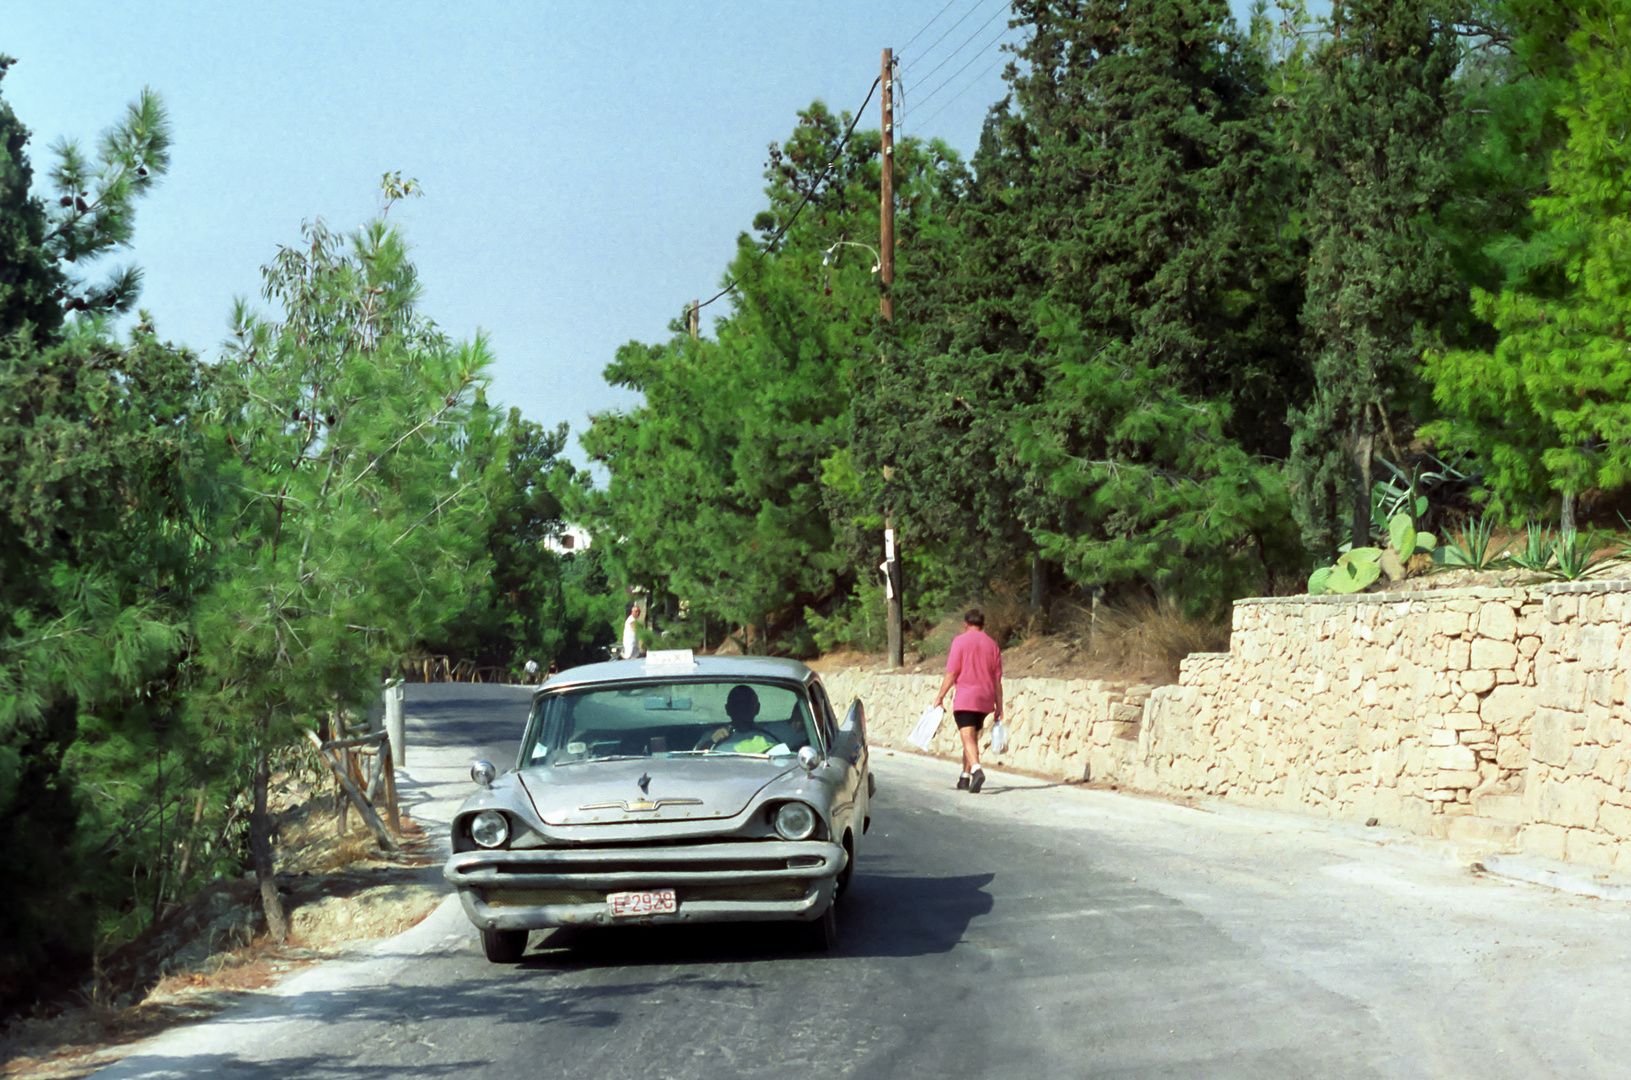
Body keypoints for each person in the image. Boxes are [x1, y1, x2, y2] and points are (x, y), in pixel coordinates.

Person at [931, 608, 1003, 793]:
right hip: (986, 699)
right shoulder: (993, 645)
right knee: (971, 737)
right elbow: (997, 680)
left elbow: (952, 672)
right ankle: (964, 777)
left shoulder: (960, 642)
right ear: (983, 625)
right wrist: (999, 707)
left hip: (966, 697)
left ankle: (977, 770)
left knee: (966, 737)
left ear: (965, 624)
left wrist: (940, 697)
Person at [699, 684, 776, 753]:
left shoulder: (768, 738)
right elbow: (694, 757)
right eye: (736, 704)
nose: (742, 708)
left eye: (747, 703)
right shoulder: (712, 735)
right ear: (728, 709)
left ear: (757, 708)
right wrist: (712, 742)